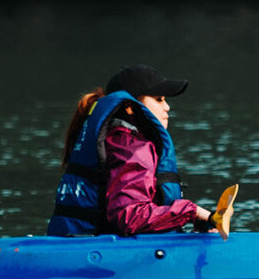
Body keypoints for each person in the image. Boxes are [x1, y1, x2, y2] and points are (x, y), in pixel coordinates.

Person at [46, 64, 218, 237]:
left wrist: (188, 224)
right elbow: (129, 216)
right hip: (105, 253)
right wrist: (191, 212)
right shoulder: (130, 147)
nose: (167, 107)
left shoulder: (116, 140)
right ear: (130, 107)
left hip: (79, 244)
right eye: (159, 99)